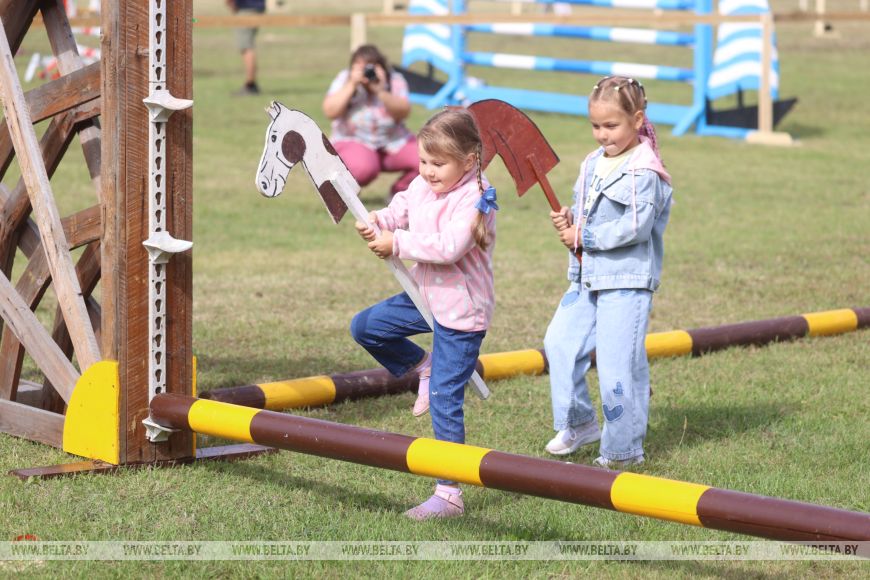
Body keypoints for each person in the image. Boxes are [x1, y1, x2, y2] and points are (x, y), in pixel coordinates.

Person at [350, 108, 497, 520]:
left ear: (468, 161)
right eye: (424, 162)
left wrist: (396, 242)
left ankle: (449, 494)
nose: (428, 172)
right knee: (366, 327)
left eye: (439, 163)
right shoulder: (423, 184)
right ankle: (423, 365)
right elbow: (401, 207)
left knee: (445, 400)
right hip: (424, 295)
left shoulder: (475, 199)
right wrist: (380, 219)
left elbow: (448, 247)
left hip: (461, 311)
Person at [543, 76, 673, 469]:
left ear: (637, 119)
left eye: (611, 126)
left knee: (618, 366)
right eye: (596, 126)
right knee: (559, 343)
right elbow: (588, 211)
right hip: (586, 277)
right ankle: (579, 422)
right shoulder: (591, 162)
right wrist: (571, 218)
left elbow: (636, 227)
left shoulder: (644, 170)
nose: (602, 134)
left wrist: (585, 234)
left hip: (627, 283)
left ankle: (623, 450)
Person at [322, 45, 419, 200]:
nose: (366, 72)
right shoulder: (345, 78)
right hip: (354, 140)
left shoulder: (394, 80)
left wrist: (380, 91)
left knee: (428, 157)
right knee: (364, 167)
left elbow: (404, 112)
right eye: (360, 67)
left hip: (393, 142)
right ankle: (342, 195)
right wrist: (352, 84)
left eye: (371, 67)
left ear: (381, 67)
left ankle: (401, 195)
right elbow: (330, 111)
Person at [226, 0, 265, 96]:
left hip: (246, 10)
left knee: (246, 47)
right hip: (256, 8)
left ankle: (250, 85)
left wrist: (231, 4)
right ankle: (251, 84)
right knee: (247, 46)